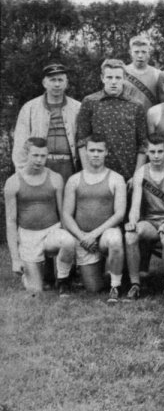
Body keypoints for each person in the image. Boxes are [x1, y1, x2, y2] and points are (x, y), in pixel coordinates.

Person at [60, 134, 128, 301]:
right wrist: (83, 237)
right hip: (83, 238)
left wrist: (94, 235)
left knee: (115, 240)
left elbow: (119, 214)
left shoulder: (116, 179)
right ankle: (107, 269)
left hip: (104, 235)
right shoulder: (74, 180)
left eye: (99, 150)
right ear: (86, 153)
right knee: (93, 288)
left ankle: (116, 285)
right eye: (92, 150)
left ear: (106, 153)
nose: (96, 154)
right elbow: (66, 214)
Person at [4, 137, 74, 294]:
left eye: (43, 156)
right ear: (26, 154)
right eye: (35, 155)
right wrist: (15, 259)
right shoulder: (13, 182)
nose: (39, 160)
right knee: (36, 290)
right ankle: (32, 274)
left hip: (51, 231)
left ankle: (63, 279)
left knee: (68, 241)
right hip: (28, 235)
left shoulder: (55, 178)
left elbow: (63, 214)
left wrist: (66, 247)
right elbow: (11, 221)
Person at [125, 134, 164, 301]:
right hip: (151, 221)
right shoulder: (141, 173)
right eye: (152, 152)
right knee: (130, 235)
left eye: (160, 151)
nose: (156, 156)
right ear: (146, 152)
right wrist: (133, 222)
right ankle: (135, 284)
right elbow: (135, 206)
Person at [76, 59, 147, 180]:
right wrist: (88, 172)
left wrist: (137, 176)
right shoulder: (90, 102)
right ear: (102, 78)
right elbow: (82, 141)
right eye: (109, 77)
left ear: (125, 78)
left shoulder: (136, 105)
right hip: (97, 173)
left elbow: (143, 144)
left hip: (128, 174)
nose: (113, 82)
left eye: (118, 78)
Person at [13, 63, 81, 181]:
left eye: (60, 80)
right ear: (44, 83)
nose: (57, 84)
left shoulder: (78, 108)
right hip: (40, 165)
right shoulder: (30, 108)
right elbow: (20, 144)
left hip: (69, 167)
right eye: (52, 80)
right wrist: (23, 173)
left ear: (66, 83)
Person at [123, 35, 164, 113]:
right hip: (127, 120)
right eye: (136, 52)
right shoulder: (122, 72)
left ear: (149, 53)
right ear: (130, 53)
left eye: (144, 52)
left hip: (150, 120)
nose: (140, 56)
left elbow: (163, 102)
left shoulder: (157, 74)